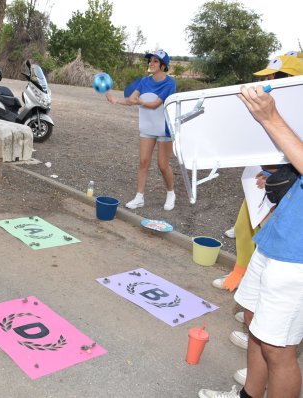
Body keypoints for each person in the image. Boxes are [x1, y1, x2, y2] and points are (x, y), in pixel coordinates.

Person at [199, 61, 303, 398]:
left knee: (279, 349)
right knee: (254, 325)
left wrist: (270, 117)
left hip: (297, 256)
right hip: (277, 236)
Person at [106, 49, 177, 211]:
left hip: (164, 128)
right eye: (150, 61)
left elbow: (155, 104)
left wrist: (139, 102)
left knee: (163, 165)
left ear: (163, 65)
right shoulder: (143, 81)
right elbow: (132, 100)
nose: (151, 63)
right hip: (147, 127)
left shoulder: (170, 83)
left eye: (155, 61)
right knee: (143, 162)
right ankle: (139, 197)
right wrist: (116, 100)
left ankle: (171, 193)